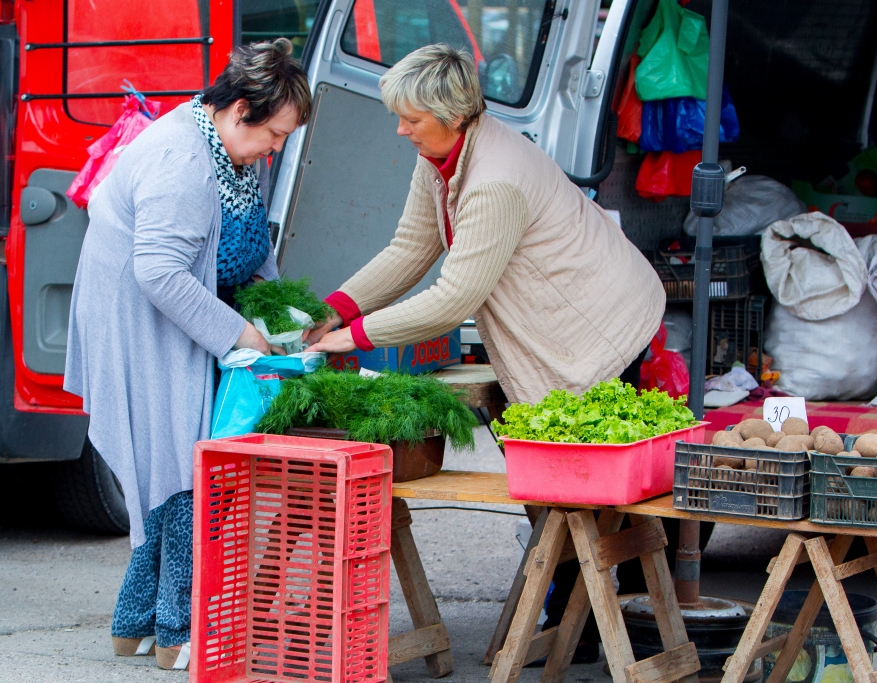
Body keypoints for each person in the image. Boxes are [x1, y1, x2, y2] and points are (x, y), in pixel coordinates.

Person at [305, 43, 666, 662]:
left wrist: (352, 339)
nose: (400, 130)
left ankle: (584, 626)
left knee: (580, 491)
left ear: (452, 115)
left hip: (602, 321)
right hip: (564, 317)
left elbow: (452, 299)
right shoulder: (440, 155)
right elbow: (409, 249)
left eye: (410, 119)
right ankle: (577, 625)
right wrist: (335, 308)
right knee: (566, 490)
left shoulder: (494, 177)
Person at [64, 38, 311, 671]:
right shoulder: (182, 160)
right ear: (239, 112)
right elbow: (160, 274)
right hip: (141, 319)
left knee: (176, 464)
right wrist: (241, 336)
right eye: (275, 134)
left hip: (185, 311)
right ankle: (177, 630)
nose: (276, 148)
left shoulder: (227, 148)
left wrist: (278, 309)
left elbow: (252, 247)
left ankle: (134, 625)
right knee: (179, 470)